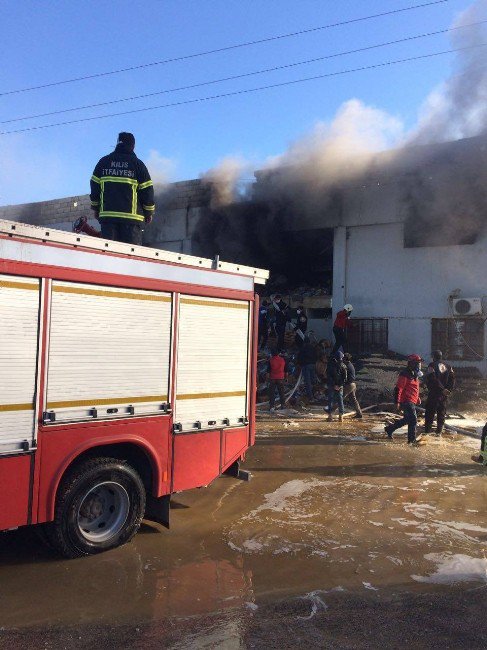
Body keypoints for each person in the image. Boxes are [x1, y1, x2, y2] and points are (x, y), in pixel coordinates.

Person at [90, 132, 155, 245]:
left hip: (108, 218)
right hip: (132, 222)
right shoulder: (138, 164)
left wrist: (96, 208)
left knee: (109, 255)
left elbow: (95, 187)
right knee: (129, 257)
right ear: (133, 146)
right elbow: (147, 191)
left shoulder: (103, 162)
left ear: (117, 144)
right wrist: (149, 213)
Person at [385, 354, 423, 444]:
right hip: (406, 400)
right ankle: (411, 440)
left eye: (419, 364)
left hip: (412, 400)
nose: (418, 366)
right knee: (413, 419)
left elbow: (414, 388)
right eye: (417, 364)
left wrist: (417, 398)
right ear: (412, 363)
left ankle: (389, 429)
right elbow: (399, 388)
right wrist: (397, 402)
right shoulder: (404, 374)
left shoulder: (415, 375)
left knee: (407, 419)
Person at [424, 350, 455, 436]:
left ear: (433, 357)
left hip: (434, 393)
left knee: (430, 413)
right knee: (441, 412)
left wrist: (441, 389)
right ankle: (439, 432)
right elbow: (452, 379)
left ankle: (427, 432)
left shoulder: (432, 365)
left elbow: (432, 378)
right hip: (444, 395)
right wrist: (448, 390)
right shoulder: (449, 366)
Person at [326, 350, 348, 422]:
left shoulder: (330, 365)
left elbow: (328, 376)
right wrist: (339, 385)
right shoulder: (344, 366)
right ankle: (341, 416)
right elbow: (345, 378)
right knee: (340, 400)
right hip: (339, 386)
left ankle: (330, 416)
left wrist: (334, 385)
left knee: (331, 400)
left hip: (332, 385)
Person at [342, 353, 363, 418]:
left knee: (340, 398)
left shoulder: (346, 366)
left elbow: (345, 377)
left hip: (349, 385)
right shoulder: (350, 365)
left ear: (345, 359)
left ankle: (330, 410)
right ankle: (359, 413)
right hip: (353, 384)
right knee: (353, 399)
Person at [297, 336, 317, 401]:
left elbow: (299, 357)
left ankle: (310, 397)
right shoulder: (313, 348)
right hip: (313, 365)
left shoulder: (303, 348)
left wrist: (300, 364)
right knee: (313, 380)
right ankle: (315, 394)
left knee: (308, 382)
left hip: (306, 366)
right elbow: (316, 355)